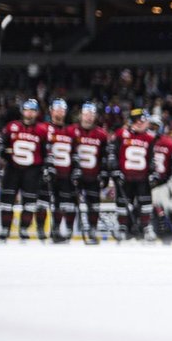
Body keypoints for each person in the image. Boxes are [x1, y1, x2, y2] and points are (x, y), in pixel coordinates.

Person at [0, 98, 50, 241]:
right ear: (22, 111)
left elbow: (47, 152)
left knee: (29, 203)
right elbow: (2, 144)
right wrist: (2, 149)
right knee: (7, 202)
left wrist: (46, 167)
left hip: (33, 170)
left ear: (37, 112)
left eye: (33, 110)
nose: (30, 113)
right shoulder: (11, 126)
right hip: (12, 168)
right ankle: (5, 229)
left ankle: (24, 229)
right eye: (27, 110)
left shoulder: (42, 130)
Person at [108, 108, 157, 241]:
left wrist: (153, 172)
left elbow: (152, 158)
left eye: (143, 121)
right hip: (125, 177)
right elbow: (112, 153)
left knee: (145, 203)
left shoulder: (150, 137)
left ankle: (146, 227)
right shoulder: (121, 134)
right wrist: (114, 169)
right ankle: (122, 227)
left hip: (143, 177)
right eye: (138, 121)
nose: (141, 123)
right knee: (123, 204)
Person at [68, 102, 110, 244]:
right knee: (71, 203)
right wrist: (72, 169)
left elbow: (105, 156)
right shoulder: (71, 131)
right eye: (86, 114)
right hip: (75, 174)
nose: (89, 118)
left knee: (94, 205)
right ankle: (68, 229)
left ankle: (92, 230)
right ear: (81, 115)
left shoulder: (101, 134)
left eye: (91, 115)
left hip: (93, 175)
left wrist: (105, 174)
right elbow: (68, 152)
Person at [43, 99, 78, 242]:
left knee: (64, 204)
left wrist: (76, 168)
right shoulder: (44, 128)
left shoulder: (70, 131)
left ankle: (61, 229)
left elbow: (74, 152)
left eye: (63, 109)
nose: (60, 111)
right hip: (48, 173)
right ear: (51, 110)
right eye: (57, 108)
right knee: (48, 202)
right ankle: (52, 229)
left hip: (65, 173)